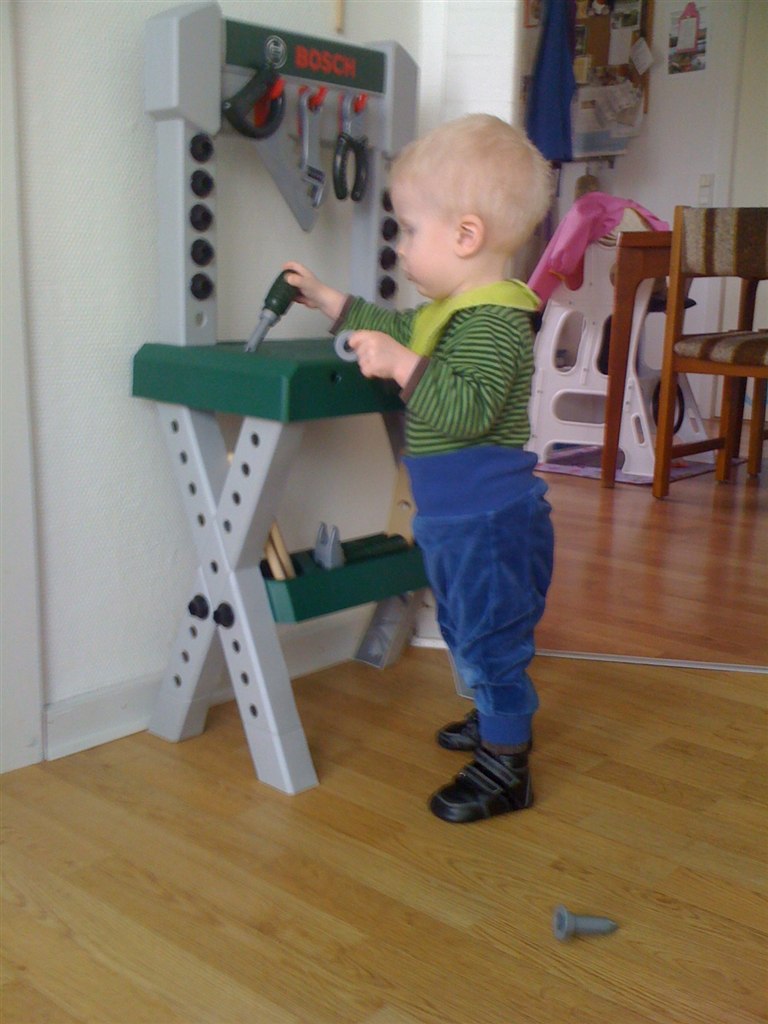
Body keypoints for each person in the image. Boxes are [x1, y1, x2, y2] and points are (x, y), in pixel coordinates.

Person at [284, 113, 555, 824]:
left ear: (465, 236)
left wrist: (404, 367)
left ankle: (506, 765)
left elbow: (466, 408)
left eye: (408, 230)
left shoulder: (494, 321)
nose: (400, 247)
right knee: (466, 627)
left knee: (491, 639)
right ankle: (494, 716)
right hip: (456, 517)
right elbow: (399, 327)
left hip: (490, 521)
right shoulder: (451, 311)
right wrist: (333, 302)